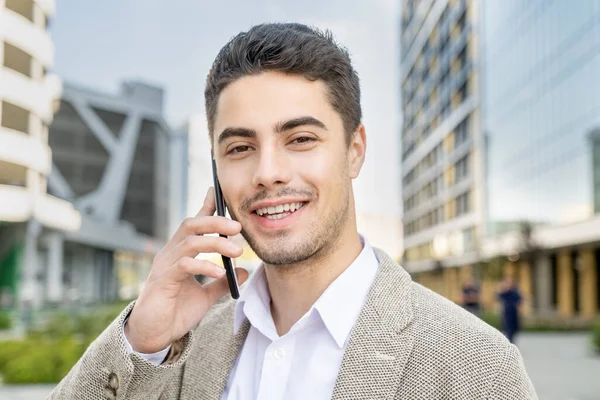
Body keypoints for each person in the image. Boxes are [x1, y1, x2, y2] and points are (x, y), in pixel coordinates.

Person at [49, 23, 538, 399]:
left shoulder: (476, 365)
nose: (268, 172)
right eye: (240, 147)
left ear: (354, 150)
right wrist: (141, 339)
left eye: (300, 139)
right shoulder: (183, 344)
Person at [497, 275, 523, 344]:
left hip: (514, 313)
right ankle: (508, 344)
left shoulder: (515, 291)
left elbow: (519, 302)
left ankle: (511, 343)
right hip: (506, 314)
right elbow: (498, 297)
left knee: (513, 331)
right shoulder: (504, 292)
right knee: (507, 331)